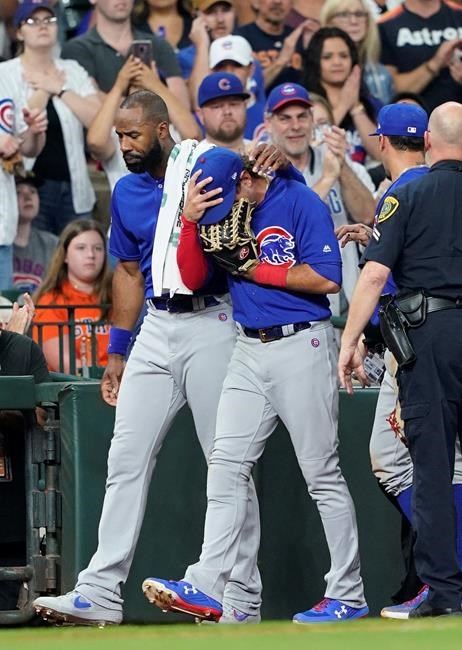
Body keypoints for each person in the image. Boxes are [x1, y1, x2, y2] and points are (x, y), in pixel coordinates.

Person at [32, 90, 282, 626]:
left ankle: (239, 597)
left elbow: (248, 167)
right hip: (155, 327)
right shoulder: (125, 192)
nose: (123, 145)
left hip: (213, 320)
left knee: (227, 462)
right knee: (125, 459)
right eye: (119, 136)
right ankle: (100, 590)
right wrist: (117, 350)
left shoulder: (202, 166)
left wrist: (263, 155)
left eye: (133, 135)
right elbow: (126, 271)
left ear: (162, 129)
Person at [142, 146, 368, 624]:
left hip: (301, 343)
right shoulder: (212, 214)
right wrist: (188, 222)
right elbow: (194, 274)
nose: (223, 218)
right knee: (225, 465)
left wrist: (254, 269)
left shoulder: (299, 201)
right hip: (246, 347)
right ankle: (208, 584)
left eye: (227, 203)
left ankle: (348, 592)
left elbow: (327, 279)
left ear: (247, 178)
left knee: (321, 475)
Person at [338, 101, 462, 618]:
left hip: (431, 335)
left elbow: (371, 277)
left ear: (428, 143)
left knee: (430, 467)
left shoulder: (406, 191)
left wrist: (348, 340)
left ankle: (445, 591)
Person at [264, 82, 375, 316]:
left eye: (302, 116)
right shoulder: (260, 175)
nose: (295, 126)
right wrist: (327, 179)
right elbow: (287, 228)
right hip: (301, 308)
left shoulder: (336, 162)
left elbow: (368, 215)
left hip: (351, 300)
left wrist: (341, 166)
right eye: (285, 118)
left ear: (312, 119)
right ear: (268, 123)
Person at [0, 0, 101, 235]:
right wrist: (45, 89)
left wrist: (61, 89)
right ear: (19, 32)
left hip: (75, 187)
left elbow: (98, 119)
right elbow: (14, 129)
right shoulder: (5, 73)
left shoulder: (72, 69)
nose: (42, 26)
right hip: (27, 187)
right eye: (33, 21)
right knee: (34, 266)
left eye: (49, 20)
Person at [86, 54, 202, 193]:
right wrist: (119, 85)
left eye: (147, 91)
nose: (141, 94)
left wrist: (155, 84)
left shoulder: (169, 132)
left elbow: (193, 134)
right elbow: (95, 142)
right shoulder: (121, 136)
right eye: (134, 88)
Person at [61, 0, 189, 109]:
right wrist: (155, 100)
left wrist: (154, 84)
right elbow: (92, 111)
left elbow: (183, 107)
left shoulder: (158, 45)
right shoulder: (76, 50)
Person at [32, 219, 112, 374]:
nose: (90, 255)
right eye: (81, 248)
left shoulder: (119, 296)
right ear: (65, 256)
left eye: (98, 248)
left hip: (120, 382)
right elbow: (64, 364)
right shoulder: (52, 301)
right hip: (76, 386)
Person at [302, 27, 382, 165]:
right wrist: (344, 105)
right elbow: (309, 148)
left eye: (344, 56)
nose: (337, 62)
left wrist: (356, 107)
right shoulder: (305, 103)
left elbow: (382, 155)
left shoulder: (371, 104)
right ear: (315, 62)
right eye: (327, 57)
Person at [377, 0, 462, 113]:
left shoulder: (458, 14)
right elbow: (391, 89)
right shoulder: (385, 24)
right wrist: (435, 63)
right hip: (412, 122)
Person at [0, 94, 47, 291]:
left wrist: (33, 132)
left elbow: (28, 149)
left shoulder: (6, 84)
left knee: (3, 316)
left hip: (3, 232)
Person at [320, 0, 395, 104]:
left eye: (359, 14)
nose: (354, 21)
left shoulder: (381, 74)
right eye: (344, 15)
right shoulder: (318, 69)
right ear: (328, 22)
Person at [236, 0, 315, 91]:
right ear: (255, 2)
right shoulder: (241, 39)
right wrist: (281, 61)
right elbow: (246, 90)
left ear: (292, 4)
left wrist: (312, 49)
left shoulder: (300, 37)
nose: (277, 2)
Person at [206, 35, 266, 140]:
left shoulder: (269, 115)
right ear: (211, 71)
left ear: (251, 69)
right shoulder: (203, 115)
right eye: (221, 66)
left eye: (237, 65)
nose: (229, 72)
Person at [13, 174, 58, 294]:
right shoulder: (4, 249)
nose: (28, 197)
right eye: (18, 192)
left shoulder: (52, 243)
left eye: (33, 191)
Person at [197, 72, 250, 152]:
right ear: (201, 115)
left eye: (234, 104)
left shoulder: (265, 154)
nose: (227, 112)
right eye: (217, 106)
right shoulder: (192, 160)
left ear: (245, 107)